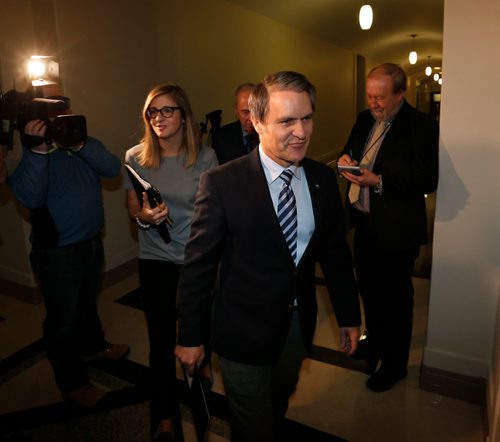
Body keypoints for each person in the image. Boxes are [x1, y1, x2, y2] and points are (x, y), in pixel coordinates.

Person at [175, 71, 361, 442]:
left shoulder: (322, 180)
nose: (302, 131)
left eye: (307, 117)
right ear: (256, 122)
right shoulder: (223, 182)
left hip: (297, 327)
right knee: (253, 426)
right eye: (287, 121)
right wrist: (191, 335)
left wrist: (348, 316)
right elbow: (199, 265)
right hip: (241, 332)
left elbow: (336, 255)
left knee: (277, 401)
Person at [7, 104, 130, 408]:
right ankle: (72, 383)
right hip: (57, 254)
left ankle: (93, 346)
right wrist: (37, 152)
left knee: (86, 303)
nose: (57, 124)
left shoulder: (80, 141)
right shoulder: (24, 154)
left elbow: (113, 168)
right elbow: (29, 197)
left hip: (90, 241)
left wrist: (80, 144)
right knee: (63, 321)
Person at [124, 83, 218, 442]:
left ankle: (203, 359)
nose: (158, 119)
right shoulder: (135, 157)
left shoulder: (206, 159)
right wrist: (144, 217)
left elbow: (215, 214)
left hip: (195, 261)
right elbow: (133, 207)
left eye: (167, 111)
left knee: (197, 329)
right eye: (152, 112)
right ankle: (163, 415)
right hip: (156, 259)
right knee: (160, 341)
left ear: (184, 115)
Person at [337, 63, 439, 392]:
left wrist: (378, 181)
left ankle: (395, 366)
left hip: (397, 230)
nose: (373, 104)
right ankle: (373, 344)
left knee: (395, 300)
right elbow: (350, 149)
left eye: (380, 97)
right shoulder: (364, 118)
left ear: (399, 94)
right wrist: (344, 160)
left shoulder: (420, 125)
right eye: (370, 96)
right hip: (364, 223)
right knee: (368, 291)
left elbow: (427, 178)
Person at [211, 82, 259, 164]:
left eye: (255, 111)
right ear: (236, 111)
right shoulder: (221, 138)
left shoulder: (273, 134)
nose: (251, 118)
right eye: (245, 112)